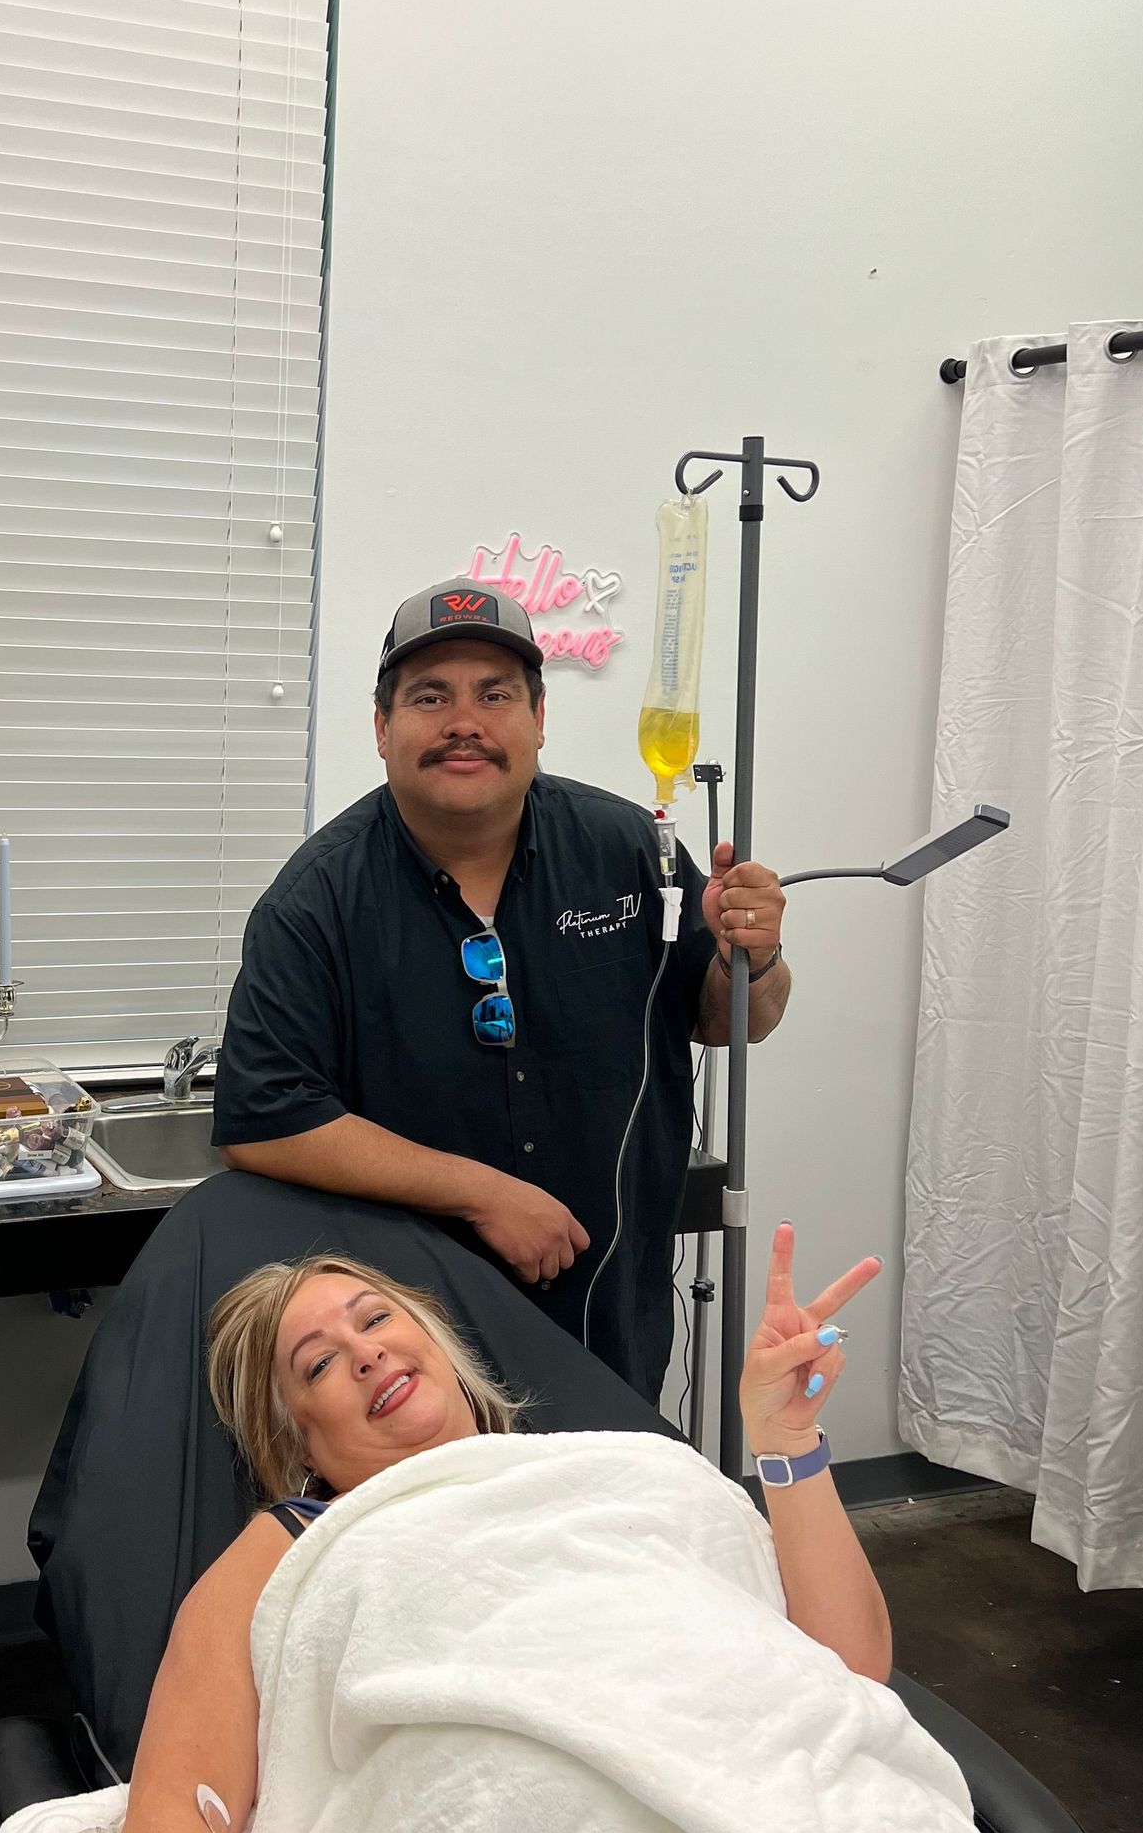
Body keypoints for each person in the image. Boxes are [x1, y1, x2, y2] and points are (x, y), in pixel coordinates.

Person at [116, 1225, 885, 1833]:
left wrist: (787, 1445)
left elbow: (849, 1670)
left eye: (377, 1318)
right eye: (320, 1364)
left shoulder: (624, 1471)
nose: (366, 1353)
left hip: (784, 1823)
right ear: (299, 1441)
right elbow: (169, 1815)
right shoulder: (296, 1547)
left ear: (436, 1338)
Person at [212, 578, 792, 1400]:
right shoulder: (319, 900)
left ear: (539, 718)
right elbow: (263, 1121)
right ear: (382, 728)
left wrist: (755, 958)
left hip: (610, 1304)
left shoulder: (627, 847)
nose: (464, 723)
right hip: (413, 1333)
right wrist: (483, 1194)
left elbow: (732, 1019)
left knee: (605, 1504)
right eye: (429, 696)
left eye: (495, 694)